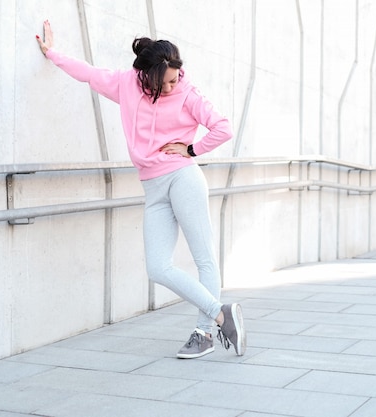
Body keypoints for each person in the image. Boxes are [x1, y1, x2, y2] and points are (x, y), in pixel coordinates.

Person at [36, 20, 245, 359]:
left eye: (175, 79)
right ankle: (223, 314)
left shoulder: (188, 93)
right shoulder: (126, 85)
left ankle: (205, 331)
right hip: (152, 186)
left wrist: (191, 150)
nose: (172, 86)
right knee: (158, 267)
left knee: (203, 257)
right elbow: (88, 73)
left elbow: (223, 128)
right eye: (165, 83)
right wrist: (53, 54)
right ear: (147, 77)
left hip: (182, 178)